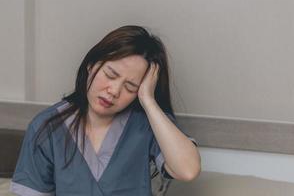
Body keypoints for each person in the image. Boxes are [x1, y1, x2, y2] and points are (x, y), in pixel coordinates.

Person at [10, 25, 201, 196]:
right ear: (91, 65)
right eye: (110, 75)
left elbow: (187, 170)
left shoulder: (147, 123)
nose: (114, 91)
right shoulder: (47, 126)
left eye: (130, 87)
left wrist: (148, 100)